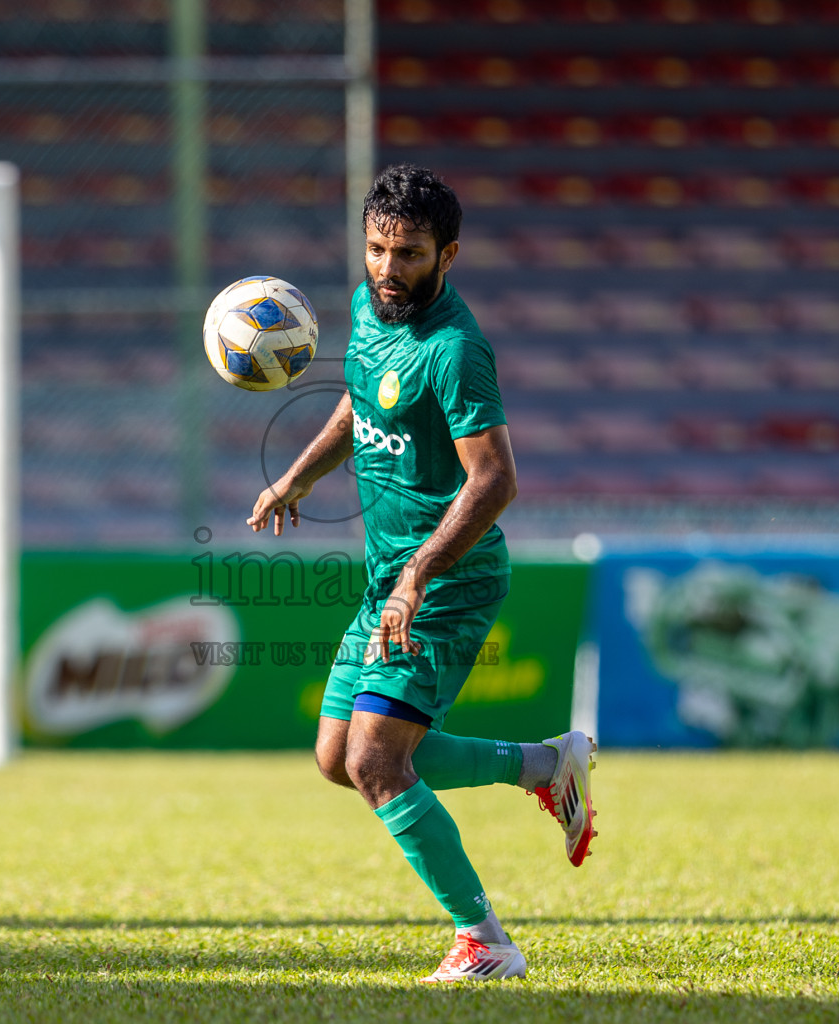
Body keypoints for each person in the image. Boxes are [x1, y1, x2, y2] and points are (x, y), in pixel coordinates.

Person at [247, 164, 597, 983]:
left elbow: (496, 480)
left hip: (448, 581)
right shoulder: (374, 312)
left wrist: (418, 577)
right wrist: (297, 477)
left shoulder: (456, 349)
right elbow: (360, 403)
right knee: (340, 759)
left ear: (449, 255)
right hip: (389, 581)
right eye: (375, 248)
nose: (386, 268)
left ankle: (485, 941)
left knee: (377, 763)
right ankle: (546, 766)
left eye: (407, 254)